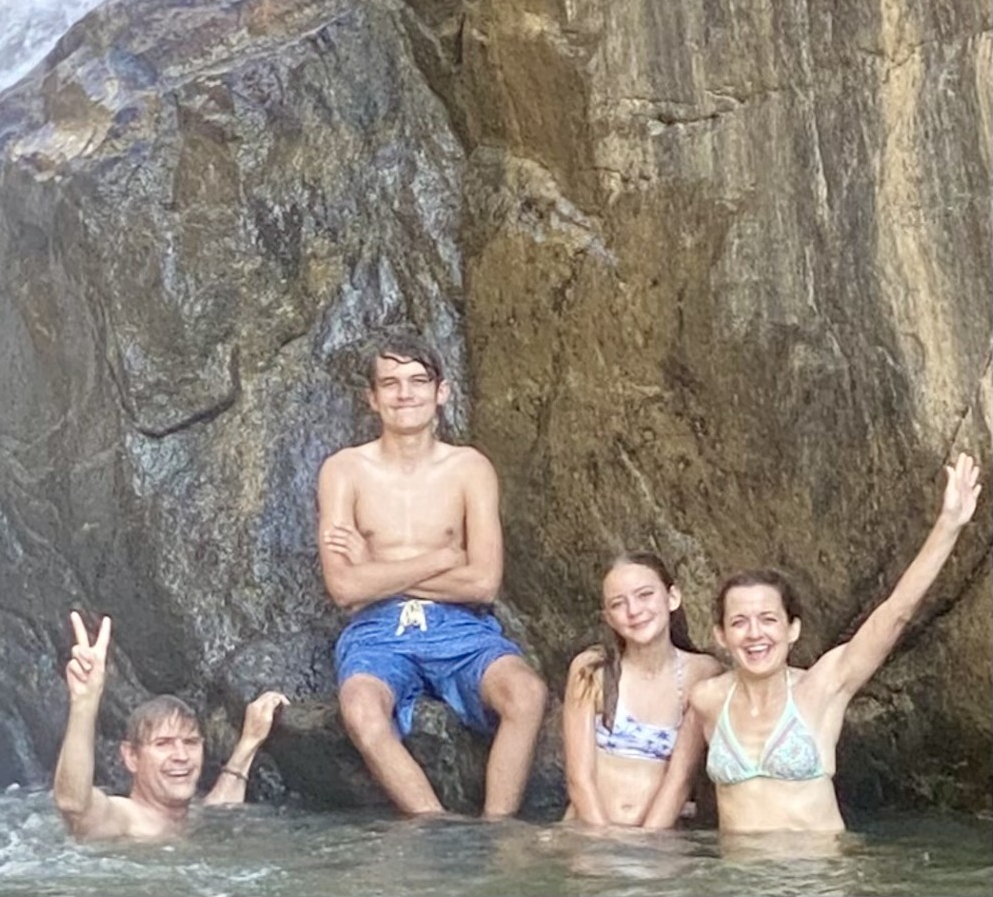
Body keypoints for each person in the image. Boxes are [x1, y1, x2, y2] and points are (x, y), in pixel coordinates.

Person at [317, 327, 547, 817]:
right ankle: (437, 825)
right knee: (360, 709)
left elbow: (483, 582)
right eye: (391, 383)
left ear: (441, 392)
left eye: (418, 381)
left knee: (526, 693)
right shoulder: (344, 471)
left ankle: (497, 831)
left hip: (460, 626)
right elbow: (343, 588)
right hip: (378, 631)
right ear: (372, 398)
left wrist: (374, 569)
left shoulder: (469, 468)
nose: (405, 394)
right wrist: (442, 559)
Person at [690, 452, 981, 836]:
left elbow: (894, 614)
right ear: (720, 636)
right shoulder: (707, 699)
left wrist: (948, 525)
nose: (755, 634)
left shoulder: (823, 687)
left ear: (793, 629)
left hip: (819, 880)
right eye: (739, 622)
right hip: (739, 883)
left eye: (768, 620)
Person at [52, 610, 288, 842]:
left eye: (190, 742)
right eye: (163, 743)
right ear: (131, 756)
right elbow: (74, 805)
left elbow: (221, 808)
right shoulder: (124, 819)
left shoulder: (194, 817)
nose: (181, 755)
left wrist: (250, 740)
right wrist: (84, 702)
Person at [561, 552, 722, 827]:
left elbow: (680, 779)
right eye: (618, 604)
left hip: (657, 837)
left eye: (645, 595)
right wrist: (602, 841)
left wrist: (646, 843)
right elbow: (579, 779)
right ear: (609, 617)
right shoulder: (592, 668)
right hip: (588, 832)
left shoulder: (703, 672)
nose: (634, 611)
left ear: (672, 598)